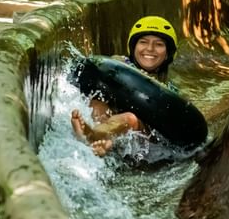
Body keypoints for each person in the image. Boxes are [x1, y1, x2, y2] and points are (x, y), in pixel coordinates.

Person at [71, 15, 178, 156]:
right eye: (143, 42)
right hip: (112, 124)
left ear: (167, 54)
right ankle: (98, 140)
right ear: (133, 47)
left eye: (159, 44)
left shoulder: (169, 91)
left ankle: (94, 135)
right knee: (97, 104)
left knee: (129, 118)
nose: (150, 48)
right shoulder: (119, 65)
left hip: (142, 136)